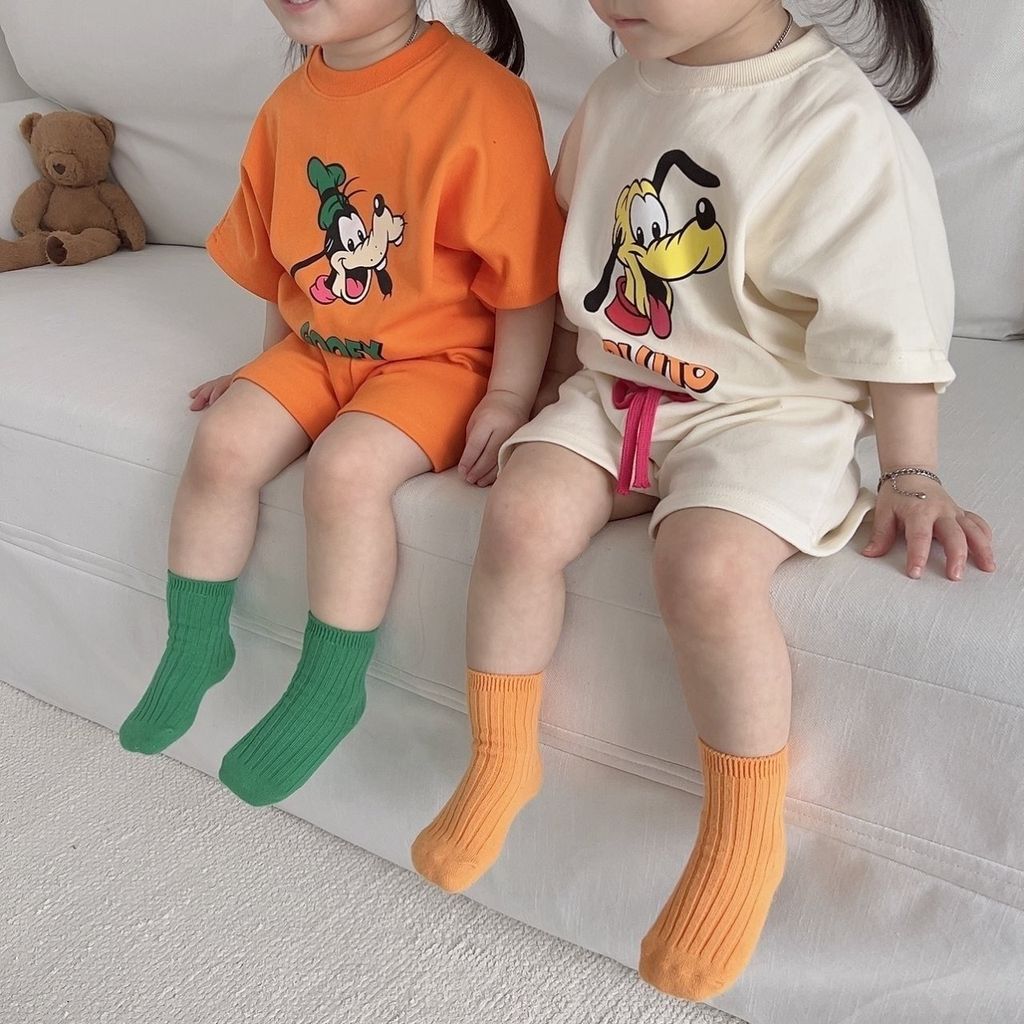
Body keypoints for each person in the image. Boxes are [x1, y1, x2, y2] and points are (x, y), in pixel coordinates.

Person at [412, 0, 996, 1000]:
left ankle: (743, 833)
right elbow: (575, 275)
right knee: (522, 510)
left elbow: (889, 322)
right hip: (620, 389)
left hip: (770, 410)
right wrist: (534, 397)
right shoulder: (618, 92)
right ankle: (501, 757)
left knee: (705, 566)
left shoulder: (834, 122)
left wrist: (910, 472)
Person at [118, 0, 563, 810]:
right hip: (319, 347)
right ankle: (195, 643)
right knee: (223, 441)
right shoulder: (287, 108)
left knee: (345, 471)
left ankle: (331, 685)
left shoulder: (483, 99)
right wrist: (263, 368)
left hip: (441, 364)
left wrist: (509, 394)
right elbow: (283, 267)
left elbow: (526, 276)